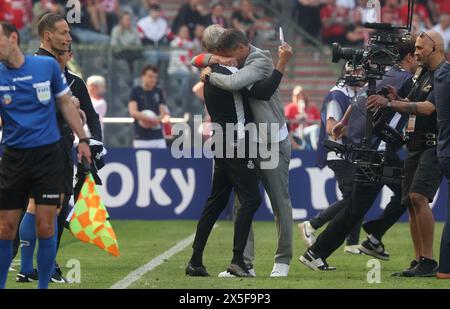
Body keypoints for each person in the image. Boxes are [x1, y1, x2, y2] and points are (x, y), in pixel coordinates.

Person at [186, 24, 293, 277]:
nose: (227, 58)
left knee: (278, 202)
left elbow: (239, 83)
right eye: (218, 54)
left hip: (271, 142)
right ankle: (244, 262)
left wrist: (210, 74)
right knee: (241, 203)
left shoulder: (259, 59)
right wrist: (214, 61)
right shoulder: (230, 60)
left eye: (227, 53)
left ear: (240, 47)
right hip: (244, 141)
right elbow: (195, 59)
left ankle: (283, 260)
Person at [0, 21, 91, 289]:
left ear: (13, 38)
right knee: (5, 228)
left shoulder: (46, 67)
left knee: (47, 225)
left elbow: (66, 103)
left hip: (48, 157)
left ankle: (42, 285)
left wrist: (83, 139)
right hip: (14, 158)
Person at [365, 30, 445, 277]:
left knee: (419, 197)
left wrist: (389, 104)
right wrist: (396, 97)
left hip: (432, 144)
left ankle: (429, 260)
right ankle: (419, 258)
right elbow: (411, 100)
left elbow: (427, 108)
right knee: (410, 200)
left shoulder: (444, 75)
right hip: (414, 144)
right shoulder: (422, 74)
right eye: (417, 48)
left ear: (435, 48)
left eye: (420, 48)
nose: (416, 52)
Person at [300, 77, 362, 255]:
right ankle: (311, 225)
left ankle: (352, 242)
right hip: (339, 152)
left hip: (352, 152)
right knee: (353, 196)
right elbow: (332, 128)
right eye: (359, 70)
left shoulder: (356, 92)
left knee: (361, 193)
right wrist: (358, 130)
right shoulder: (337, 94)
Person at [428, 44, 450, 280]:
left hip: (444, 150)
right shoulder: (445, 76)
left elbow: (428, 108)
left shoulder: (440, 77)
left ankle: (445, 268)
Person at [128, 65, 170, 149]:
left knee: (161, 161)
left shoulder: (159, 91)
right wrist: (149, 119)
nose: (153, 79)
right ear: (143, 76)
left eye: (155, 77)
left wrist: (155, 120)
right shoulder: (136, 91)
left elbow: (164, 112)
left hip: (158, 138)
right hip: (141, 138)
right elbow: (133, 112)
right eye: (150, 76)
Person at [284, 85, 320, 150]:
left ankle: (316, 150)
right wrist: (298, 120)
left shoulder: (312, 108)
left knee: (315, 129)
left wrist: (307, 120)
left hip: (308, 132)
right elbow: (286, 122)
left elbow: (319, 122)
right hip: (295, 133)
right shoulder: (290, 108)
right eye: (296, 95)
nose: (298, 97)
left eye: (300, 95)